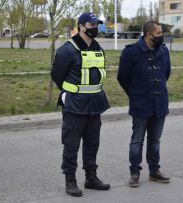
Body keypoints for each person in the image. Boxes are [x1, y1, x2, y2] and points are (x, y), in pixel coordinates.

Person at [51, 12, 110, 197]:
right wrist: (70, 92)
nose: (96, 28)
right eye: (92, 24)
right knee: (71, 144)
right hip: (75, 106)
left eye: (97, 24)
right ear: (82, 26)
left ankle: (91, 178)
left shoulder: (98, 47)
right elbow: (57, 75)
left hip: (95, 105)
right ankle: (70, 180)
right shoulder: (67, 49)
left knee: (92, 144)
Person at [117, 21, 171, 187]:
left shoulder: (164, 51)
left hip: (160, 103)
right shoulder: (131, 52)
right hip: (140, 104)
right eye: (159, 33)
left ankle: (154, 171)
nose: (162, 36)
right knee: (137, 141)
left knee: (155, 141)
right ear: (149, 35)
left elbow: (166, 73)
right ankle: (135, 173)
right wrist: (135, 94)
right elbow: (122, 78)